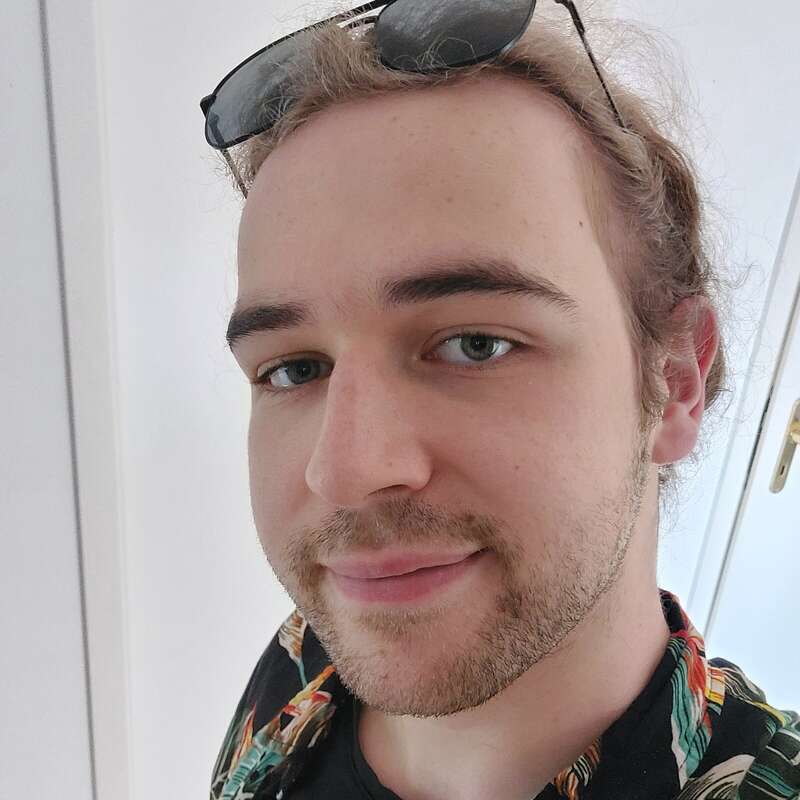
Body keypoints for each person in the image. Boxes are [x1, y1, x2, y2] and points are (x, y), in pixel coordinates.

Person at [201, 3, 800, 798]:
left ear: (676, 381)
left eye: (475, 344)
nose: (342, 474)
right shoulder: (300, 662)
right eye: (294, 369)